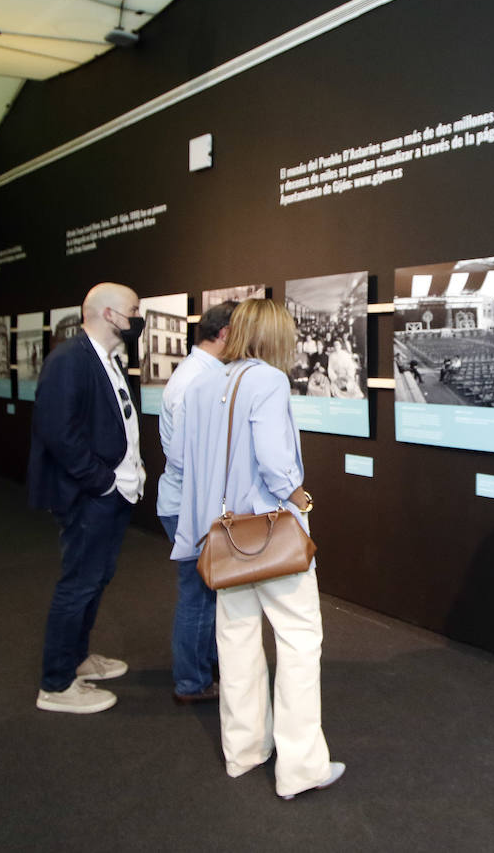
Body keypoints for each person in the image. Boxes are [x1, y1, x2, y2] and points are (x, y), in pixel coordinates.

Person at [167, 298, 345, 800]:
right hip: (269, 533)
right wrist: (299, 496)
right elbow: (274, 459)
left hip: (223, 538)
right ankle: (300, 768)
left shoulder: (201, 384)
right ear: (275, 337)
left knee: (236, 641)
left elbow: (180, 459)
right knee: (299, 640)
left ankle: (244, 752)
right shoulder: (268, 380)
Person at [27, 283, 146, 714]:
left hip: (112, 493)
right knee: (78, 584)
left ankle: (76, 659)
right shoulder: (69, 360)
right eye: (134, 309)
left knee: (95, 579)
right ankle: (56, 684)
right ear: (110, 314)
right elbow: (57, 431)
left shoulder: (109, 359)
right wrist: (102, 481)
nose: (139, 318)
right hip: (89, 495)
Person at [156, 300, 236, 704]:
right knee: (199, 595)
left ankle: (204, 672)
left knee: (205, 593)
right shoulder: (197, 381)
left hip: (192, 503)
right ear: (225, 334)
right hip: (190, 506)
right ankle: (192, 682)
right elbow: (185, 457)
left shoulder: (201, 373)